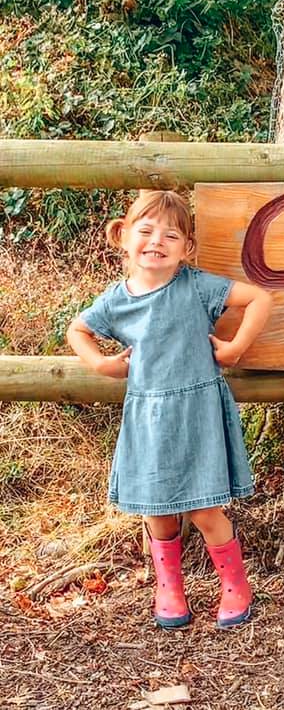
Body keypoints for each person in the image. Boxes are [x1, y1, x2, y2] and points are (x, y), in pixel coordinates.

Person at [67, 190, 273, 629]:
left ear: (186, 248)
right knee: (158, 509)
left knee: (204, 508)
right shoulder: (116, 301)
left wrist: (235, 348)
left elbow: (259, 299)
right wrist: (101, 363)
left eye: (171, 234)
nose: (156, 241)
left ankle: (235, 585)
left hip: (197, 413)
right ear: (123, 237)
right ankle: (169, 588)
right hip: (148, 420)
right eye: (145, 231)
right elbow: (78, 330)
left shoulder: (196, 286)